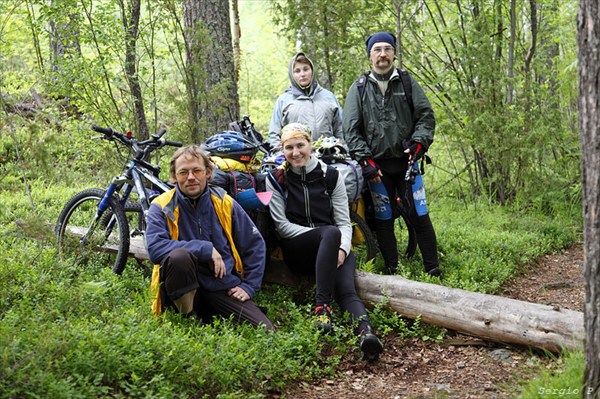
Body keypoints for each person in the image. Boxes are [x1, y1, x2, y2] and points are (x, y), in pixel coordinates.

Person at [266, 123, 383, 359]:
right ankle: (322, 308)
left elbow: (343, 221)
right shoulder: (276, 178)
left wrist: (340, 249)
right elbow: (282, 226)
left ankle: (366, 335)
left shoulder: (331, 176)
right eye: (289, 147)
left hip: (333, 246)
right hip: (299, 250)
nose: (296, 152)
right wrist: (327, 241)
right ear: (282, 149)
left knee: (348, 292)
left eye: (301, 145)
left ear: (310, 144)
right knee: (328, 232)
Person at [342, 31, 441, 277]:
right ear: (370, 56)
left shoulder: (407, 82)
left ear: (394, 53)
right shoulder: (360, 88)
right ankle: (392, 270)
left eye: (387, 49)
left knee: (420, 214)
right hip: (377, 168)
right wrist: (365, 161)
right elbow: (351, 128)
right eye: (377, 50)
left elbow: (426, 116)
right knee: (384, 218)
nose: (382, 54)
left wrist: (419, 143)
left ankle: (433, 269)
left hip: (407, 163)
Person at [146, 144, 275, 331]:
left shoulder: (224, 202)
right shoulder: (163, 206)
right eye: (183, 173)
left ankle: (208, 314)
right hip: (182, 288)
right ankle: (188, 318)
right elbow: (155, 249)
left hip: (221, 286)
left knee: (265, 330)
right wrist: (205, 249)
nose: (191, 177)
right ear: (174, 177)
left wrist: (249, 286)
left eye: (197, 171)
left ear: (207, 172)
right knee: (179, 257)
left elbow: (254, 244)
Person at [268, 52, 344, 150]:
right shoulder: (284, 100)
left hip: (327, 157)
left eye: (306, 69)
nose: (302, 74)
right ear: (292, 74)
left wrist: (342, 151)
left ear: (312, 71)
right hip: (296, 158)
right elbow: (274, 134)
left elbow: (340, 130)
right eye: (297, 71)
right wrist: (282, 154)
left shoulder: (328, 97)